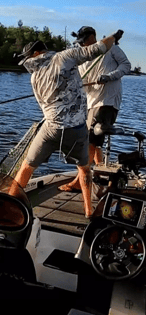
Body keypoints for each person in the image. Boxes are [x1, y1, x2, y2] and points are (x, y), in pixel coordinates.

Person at [11, 30, 124, 219]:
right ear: (42, 51)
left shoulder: (34, 77)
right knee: (84, 168)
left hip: (50, 129)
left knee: (26, 168)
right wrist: (114, 36)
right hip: (76, 129)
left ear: (35, 55)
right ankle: (88, 211)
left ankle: (7, 204)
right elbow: (99, 48)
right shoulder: (66, 56)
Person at [59, 26, 131, 193]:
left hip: (107, 101)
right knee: (96, 141)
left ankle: (79, 181)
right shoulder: (83, 57)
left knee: (90, 140)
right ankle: (98, 172)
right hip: (91, 103)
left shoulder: (111, 47)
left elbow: (126, 66)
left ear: (92, 37)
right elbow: (82, 83)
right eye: (80, 42)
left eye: (84, 40)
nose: (82, 44)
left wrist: (109, 76)